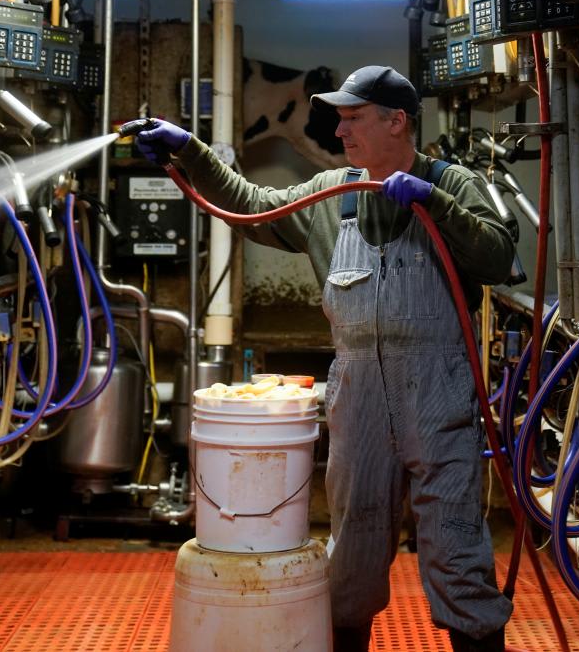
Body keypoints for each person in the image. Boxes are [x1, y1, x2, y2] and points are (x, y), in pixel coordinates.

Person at [129, 65, 514, 652]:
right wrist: (191, 152)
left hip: (438, 394)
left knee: (457, 544)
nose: (340, 131)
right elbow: (250, 204)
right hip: (358, 396)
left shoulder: (452, 183)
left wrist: (435, 204)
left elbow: (498, 257)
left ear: (397, 121)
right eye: (340, 119)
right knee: (351, 552)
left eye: (353, 118)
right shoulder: (331, 195)